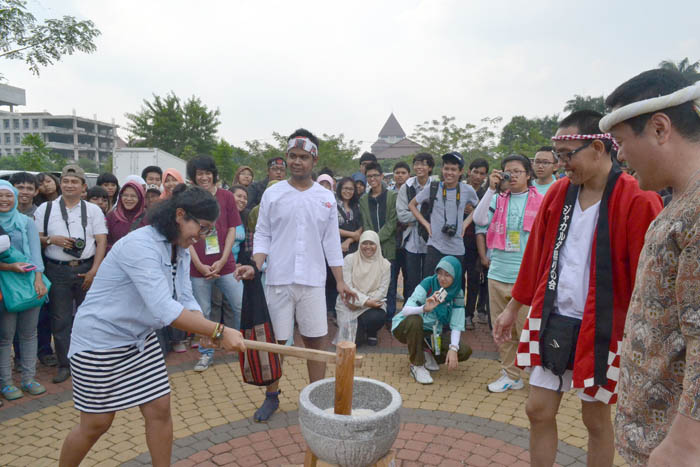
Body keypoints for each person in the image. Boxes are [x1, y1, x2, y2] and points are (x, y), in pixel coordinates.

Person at [493, 110, 662, 467]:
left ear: (599, 148)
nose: (561, 164)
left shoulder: (637, 198)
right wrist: (512, 308)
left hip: (604, 327)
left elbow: (648, 281)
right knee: (537, 409)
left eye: (568, 155)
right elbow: (536, 254)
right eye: (559, 155)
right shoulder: (558, 193)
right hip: (553, 316)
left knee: (595, 418)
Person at [58, 184, 246, 467]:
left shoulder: (178, 248)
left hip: (140, 340)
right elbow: (163, 307)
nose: (201, 237)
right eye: (203, 228)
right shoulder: (141, 245)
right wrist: (218, 330)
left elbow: (184, 296)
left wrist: (202, 328)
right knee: (96, 423)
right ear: (180, 215)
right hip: (100, 342)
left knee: (159, 409)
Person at [599, 70, 700, 465]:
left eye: (622, 142)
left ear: (659, 128)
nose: (619, 156)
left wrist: (685, 442)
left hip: (672, 450)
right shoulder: (679, 201)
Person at [241, 128, 356, 422]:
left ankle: (315, 398)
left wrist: (340, 281)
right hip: (278, 279)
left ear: (314, 160)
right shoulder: (273, 193)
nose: (297, 162)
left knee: (315, 340)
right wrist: (256, 265)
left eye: (303, 157)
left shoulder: (325, 197)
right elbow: (263, 234)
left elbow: (331, 241)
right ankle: (272, 395)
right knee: (276, 342)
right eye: (292, 156)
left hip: (314, 281)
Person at [473, 154, 543, 393]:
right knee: (501, 329)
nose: (511, 176)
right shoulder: (498, 199)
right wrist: (490, 190)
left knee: (527, 328)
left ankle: (536, 375)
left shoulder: (540, 201)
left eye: (517, 171)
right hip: (498, 272)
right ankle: (510, 375)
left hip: (525, 276)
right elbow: (479, 219)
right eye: (507, 171)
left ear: (528, 174)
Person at [34, 165, 108, 384]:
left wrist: (94, 270)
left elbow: (101, 240)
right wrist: (50, 240)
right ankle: (65, 364)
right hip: (57, 269)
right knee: (61, 319)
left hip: (86, 268)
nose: (69, 185)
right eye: (65, 181)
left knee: (90, 317)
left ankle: (91, 361)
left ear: (83, 186)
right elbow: (36, 238)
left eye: (74, 181)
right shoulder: (45, 209)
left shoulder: (93, 210)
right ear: (60, 183)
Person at [187, 155, 243, 371]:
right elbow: (184, 235)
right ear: (193, 177)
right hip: (197, 267)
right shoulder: (189, 198)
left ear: (214, 175)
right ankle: (206, 353)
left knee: (239, 304)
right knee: (202, 313)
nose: (204, 177)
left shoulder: (227, 197)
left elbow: (231, 229)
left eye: (207, 173)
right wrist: (199, 264)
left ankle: (239, 344)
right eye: (199, 173)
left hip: (226, 265)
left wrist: (222, 260)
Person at [0, 181, 48, 401]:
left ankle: (29, 378)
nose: (4, 200)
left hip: (29, 281)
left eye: (8, 195)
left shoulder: (26, 222)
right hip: (4, 284)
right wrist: (10, 266)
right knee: (5, 337)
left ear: (16, 198)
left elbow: (35, 253)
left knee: (29, 334)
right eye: (0, 195)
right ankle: (6, 383)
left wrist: (38, 278)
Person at [391, 256, 472, 384]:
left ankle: (425, 350)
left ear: (456, 276)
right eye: (439, 273)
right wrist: (424, 308)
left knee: (464, 351)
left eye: (447, 275)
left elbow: (456, 324)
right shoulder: (428, 283)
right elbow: (406, 310)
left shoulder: (458, 293)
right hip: (405, 327)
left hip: (432, 332)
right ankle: (417, 365)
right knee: (415, 320)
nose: (442, 278)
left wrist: (453, 349)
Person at [11, 172, 56, 368]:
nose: (25, 192)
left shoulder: (42, 212)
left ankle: (44, 351)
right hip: (11, 273)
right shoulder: (6, 214)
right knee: (14, 315)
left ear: (36, 191)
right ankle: (19, 356)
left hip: (39, 271)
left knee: (42, 315)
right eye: (20, 187)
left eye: (30, 188)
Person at [409, 152, 479, 277]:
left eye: (453, 169)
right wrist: (426, 224)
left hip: (457, 248)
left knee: (454, 288)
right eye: (446, 169)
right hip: (434, 246)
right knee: (431, 285)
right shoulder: (433, 187)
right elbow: (412, 205)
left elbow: (478, 208)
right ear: (442, 169)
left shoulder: (467, 190)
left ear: (460, 171)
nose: (449, 173)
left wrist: (465, 224)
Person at [334, 231, 390, 346]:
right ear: (359, 244)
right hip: (349, 303)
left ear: (377, 245)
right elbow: (347, 286)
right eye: (364, 243)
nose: (368, 247)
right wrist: (361, 301)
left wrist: (365, 302)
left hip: (371, 304)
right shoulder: (350, 259)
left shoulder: (385, 265)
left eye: (372, 243)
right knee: (351, 343)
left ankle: (371, 332)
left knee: (376, 317)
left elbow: (382, 291)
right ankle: (360, 329)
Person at [359, 162, 398, 319]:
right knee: (373, 282)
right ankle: (374, 314)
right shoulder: (363, 200)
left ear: (382, 176)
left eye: (375, 175)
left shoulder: (392, 196)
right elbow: (366, 223)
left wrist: (376, 239)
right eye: (369, 176)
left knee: (390, 283)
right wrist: (371, 242)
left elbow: (392, 222)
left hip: (388, 248)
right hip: (370, 249)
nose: (372, 179)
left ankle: (390, 316)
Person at [397, 153, 434, 301]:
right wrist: (424, 217)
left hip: (431, 241)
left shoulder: (436, 186)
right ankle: (410, 313)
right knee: (411, 279)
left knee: (429, 278)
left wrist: (414, 217)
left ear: (430, 167)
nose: (419, 167)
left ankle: (427, 313)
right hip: (411, 241)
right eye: (417, 164)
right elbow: (402, 215)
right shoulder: (406, 187)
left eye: (423, 164)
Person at [462, 158, 490, 330]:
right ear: (468, 172)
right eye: (475, 172)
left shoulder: (488, 194)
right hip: (457, 242)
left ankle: (468, 314)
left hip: (477, 243)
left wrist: (476, 211)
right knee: (456, 280)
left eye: (482, 173)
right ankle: (456, 313)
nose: (478, 176)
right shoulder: (459, 190)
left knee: (473, 280)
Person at [390, 161, 410, 308]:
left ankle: (407, 310)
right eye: (397, 172)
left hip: (409, 241)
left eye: (403, 173)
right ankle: (390, 312)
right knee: (391, 277)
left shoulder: (413, 192)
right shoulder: (388, 193)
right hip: (392, 241)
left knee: (409, 277)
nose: (400, 175)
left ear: (409, 175)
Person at [105, 182, 146, 251]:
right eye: (125, 195)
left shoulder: (148, 218)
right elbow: (106, 242)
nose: (129, 199)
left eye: (133, 196)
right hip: (116, 258)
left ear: (140, 198)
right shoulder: (112, 217)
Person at [336, 177, 363, 255]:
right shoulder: (333, 205)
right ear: (340, 189)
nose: (348, 191)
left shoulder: (357, 206)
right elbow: (330, 228)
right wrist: (352, 234)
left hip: (354, 249)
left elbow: (361, 226)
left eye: (351, 189)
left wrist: (349, 240)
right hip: (337, 248)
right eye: (345, 188)